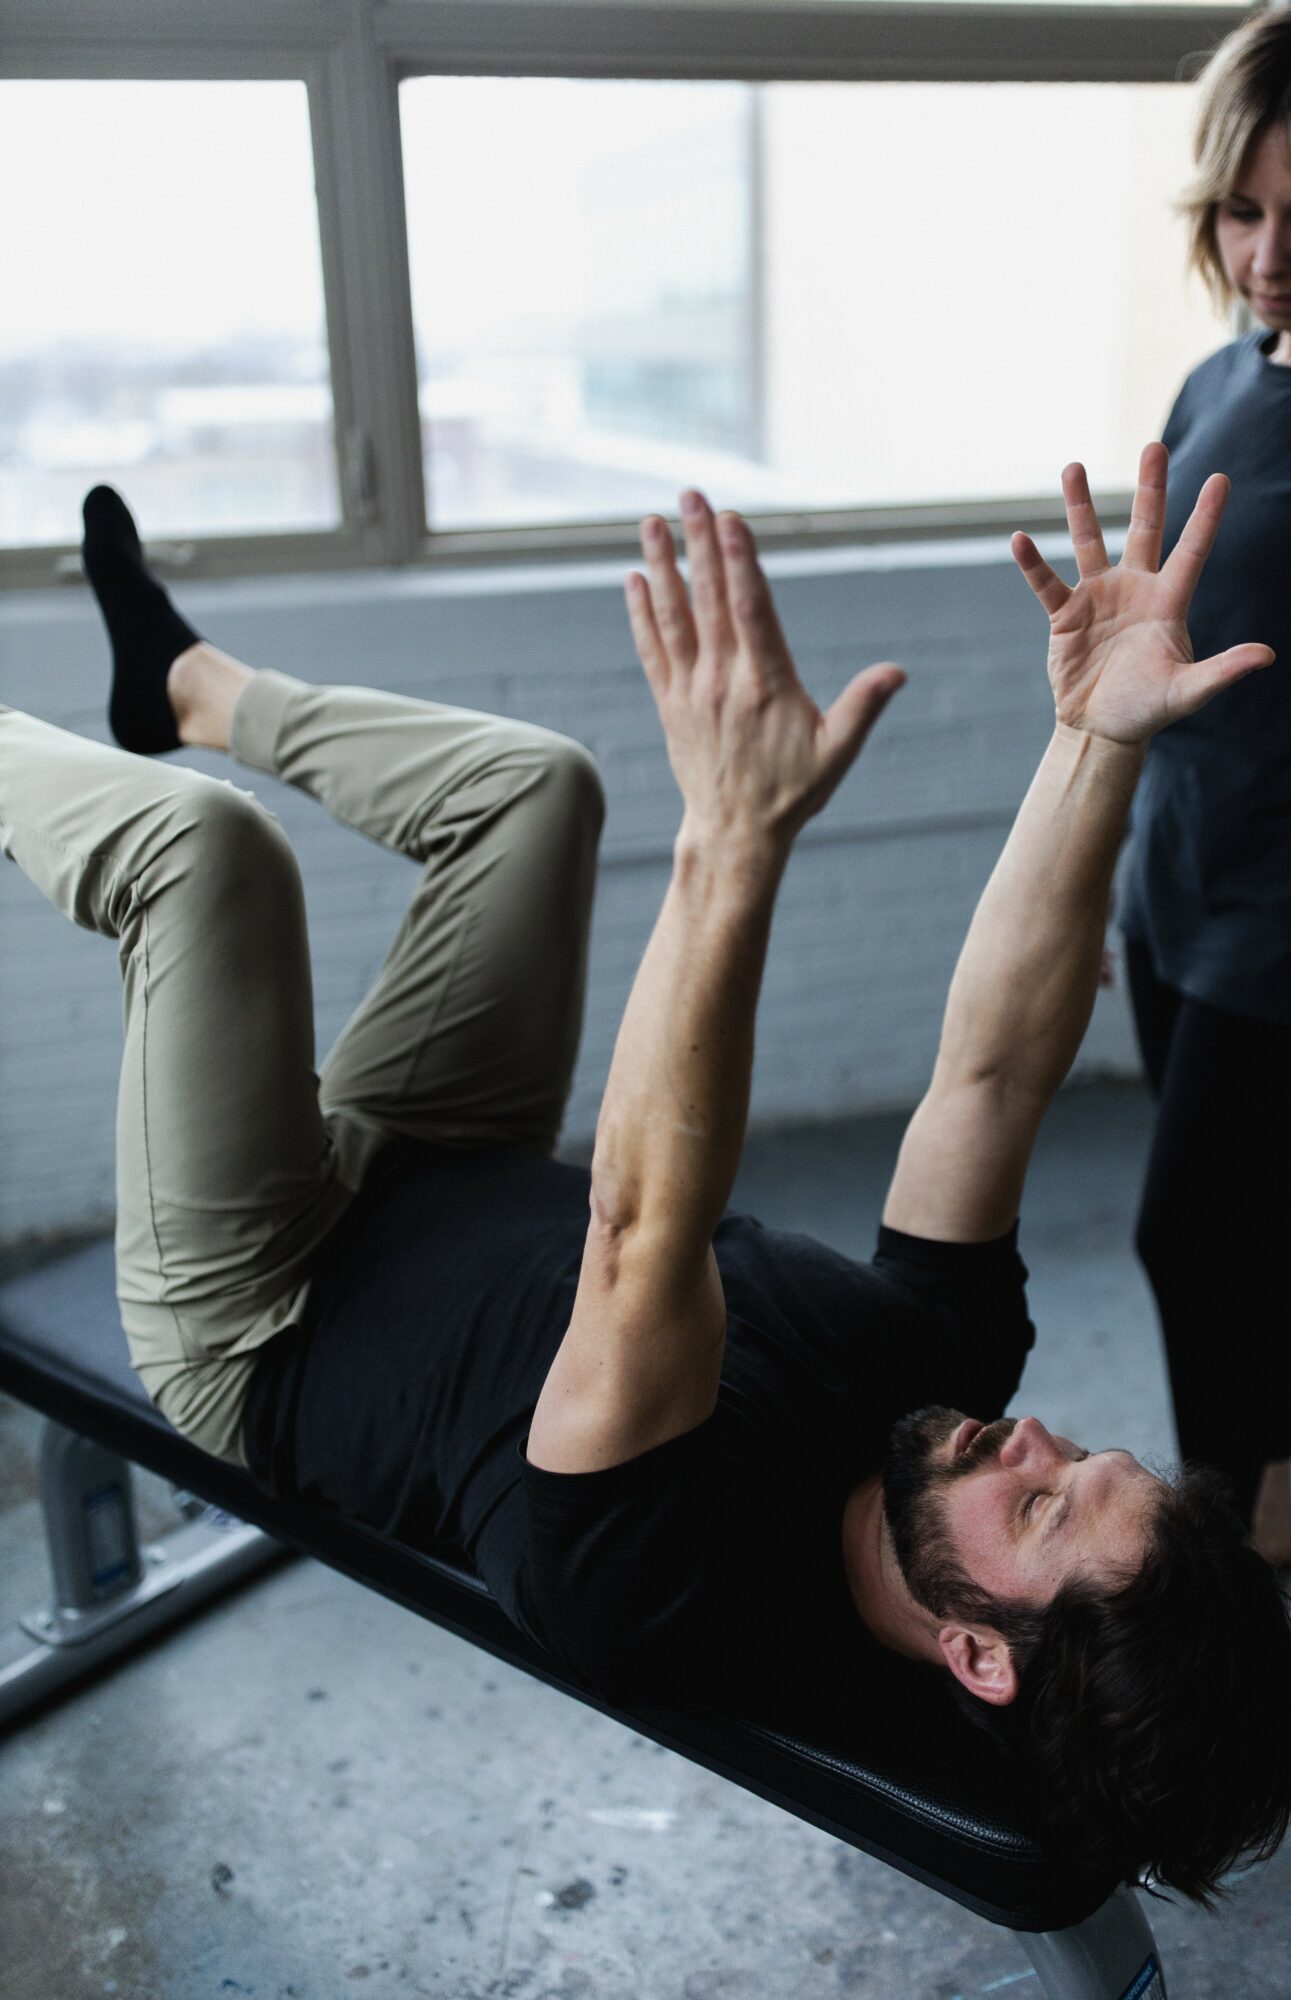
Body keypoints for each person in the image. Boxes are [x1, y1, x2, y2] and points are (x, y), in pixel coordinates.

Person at [3, 454, 1289, 1905]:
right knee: (533, 791)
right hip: (453, 1162)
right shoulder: (942, 1390)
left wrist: (734, 842)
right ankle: (180, 686)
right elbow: (991, 1079)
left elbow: (640, 1232)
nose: (1034, 1438)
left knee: (204, 854)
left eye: (1044, 1508)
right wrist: (1096, 739)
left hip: (273, 1299)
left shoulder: (665, 1586)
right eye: (1086, 1459)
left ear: (978, 1654)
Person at [1118, 5, 1291, 1561]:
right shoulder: (1217, 381)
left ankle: (1224, 1552)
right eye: (1243, 210)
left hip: (1276, 919)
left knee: (1188, 1231)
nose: (1268, 254)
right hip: (1172, 882)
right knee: (1245, 1232)